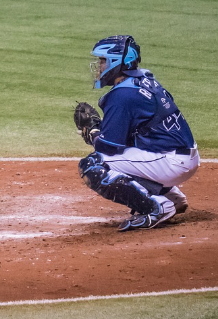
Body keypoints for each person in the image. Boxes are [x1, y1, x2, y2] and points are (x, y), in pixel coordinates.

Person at [75, 35, 198, 232]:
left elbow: (110, 147)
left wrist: (93, 133)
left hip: (170, 162)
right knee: (123, 156)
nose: (99, 66)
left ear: (116, 62)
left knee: (92, 166)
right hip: (180, 155)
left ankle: (157, 207)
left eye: (103, 60)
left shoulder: (122, 95)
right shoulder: (143, 80)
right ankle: (171, 197)